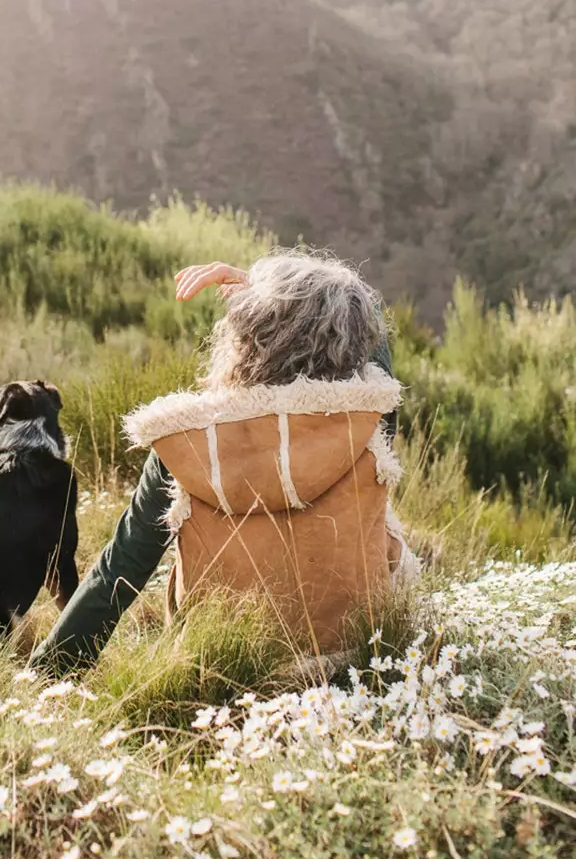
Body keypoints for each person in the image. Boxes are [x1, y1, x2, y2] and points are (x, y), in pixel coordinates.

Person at [31, 253, 412, 677]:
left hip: (222, 662)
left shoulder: (190, 440)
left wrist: (47, 671)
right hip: (356, 653)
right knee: (401, 554)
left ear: (244, 336)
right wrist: (285, 296)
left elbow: (122, 567)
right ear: (351, 340)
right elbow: (373, 343)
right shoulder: (365, 423)